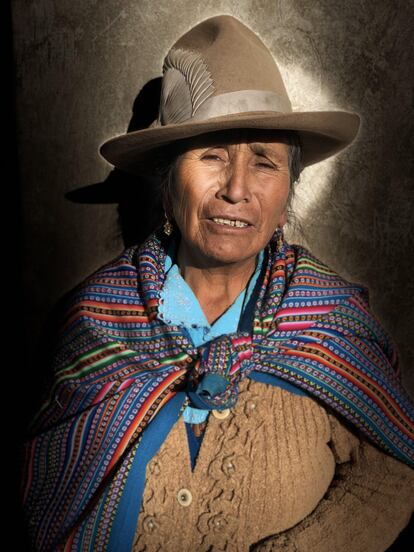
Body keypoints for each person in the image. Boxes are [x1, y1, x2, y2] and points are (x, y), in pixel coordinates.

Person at [20, 14, 414, 552]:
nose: (237, 189)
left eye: (265, 163)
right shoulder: (93, 323)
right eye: (211, 156)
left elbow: (391, 473)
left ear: (285, 200)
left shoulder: (331, 323)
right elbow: (43, 491)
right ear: (166, 185)